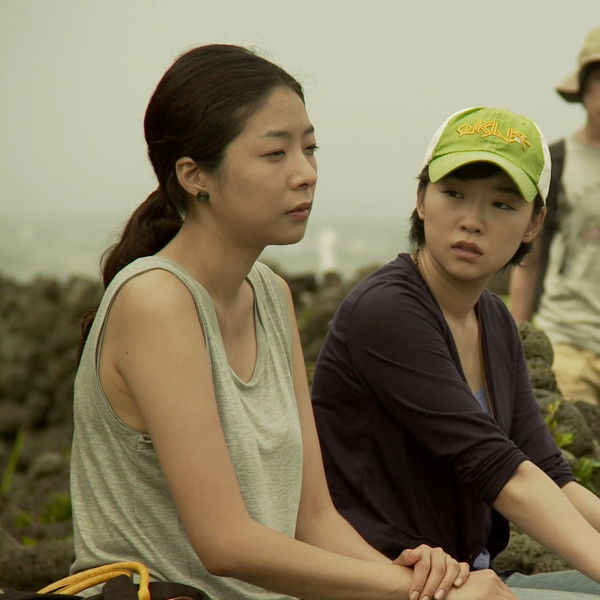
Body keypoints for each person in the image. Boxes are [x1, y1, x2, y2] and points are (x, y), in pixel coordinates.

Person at [69, 45, 511, 600]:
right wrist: (415, 593)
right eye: (275, 154)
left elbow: (314, 519)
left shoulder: (270, 295)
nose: (306, 174)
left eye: (309, 148)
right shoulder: (156, 301)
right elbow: (225, 544)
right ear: (194, 175)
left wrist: (422, 584)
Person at [311, 106, 600, 600]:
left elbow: (551, 477)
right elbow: (496, 468)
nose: (472, 221)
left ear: (535, 224)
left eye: (502, 204)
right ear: (421, 199)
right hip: (394, 582)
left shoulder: (495, 320)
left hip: (472, 578)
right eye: (453, 194)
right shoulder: (387, 310)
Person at [509, 27, 600, 405]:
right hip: (568, 343)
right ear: (584, 88)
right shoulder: (556, 162)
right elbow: (528, 261)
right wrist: (516, 342)